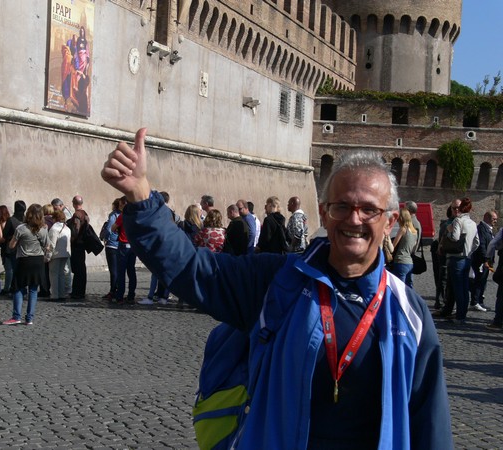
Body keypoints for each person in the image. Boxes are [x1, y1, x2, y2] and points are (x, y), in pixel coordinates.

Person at [101, 128, 453, 449]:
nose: (354, 219)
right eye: (342, 206)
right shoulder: (276, 281)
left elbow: (429, 420)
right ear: (325, 212)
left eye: (369, 210)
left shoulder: (408, 312)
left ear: (390, 221)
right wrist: (142, 198)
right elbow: (193, 268)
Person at [2, 204, 50, 325]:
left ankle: (16, 316)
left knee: (18, 288)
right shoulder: (43, 230)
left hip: (24, 260)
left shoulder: (21, 228)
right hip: (38, 260)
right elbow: (47, 246)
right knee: (33, 289)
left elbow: (11, 245)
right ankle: (29, 318)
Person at [444, 197, 479, 324]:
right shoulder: (473, 223)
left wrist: (448, 232)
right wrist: (469, 251)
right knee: (464, 288)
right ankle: (462, 314)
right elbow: (477, 242)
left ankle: (459, 316)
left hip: (457, 258)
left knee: (458, 288)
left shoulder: (458, 220)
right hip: (467, 258)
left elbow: (455, 237)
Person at [470, 210, 497, 312]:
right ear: (486, 218)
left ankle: (479, 301)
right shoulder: (481, 229)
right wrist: (485, 259)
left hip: (487, 260)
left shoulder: (488, 229)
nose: (495, 221)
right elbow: (481, 246)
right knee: (479, 281)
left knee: (483, 282)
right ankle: (475, 302)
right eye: (493, 219)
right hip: (481, 261)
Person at [47, 210, 71, 301]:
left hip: (56, 254)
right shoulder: (67, 228)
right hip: (65, 254)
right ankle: (62, 294)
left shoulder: (54, 229)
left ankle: (55, 294)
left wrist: (48, 256)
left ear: (55, 218)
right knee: (61, 274)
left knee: (53, 275)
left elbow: (51, 245)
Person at [390, 208, 418, 287]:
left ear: (401, 218)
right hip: (410, 262)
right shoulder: (414, 232)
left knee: (399, 288)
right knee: (409, 288)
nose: (397, 220)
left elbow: (393, 246)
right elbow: (413, 248)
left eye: (398, 218)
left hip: (400, 261)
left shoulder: (402, 229)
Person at [68, 195, 89, 300]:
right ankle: (81, 291)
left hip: (77, 244)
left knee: (77, 269)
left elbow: (76, 229)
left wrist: (71, 239)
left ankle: (77, 292)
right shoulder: (85, 214)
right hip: (82, 244)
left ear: (74, 204)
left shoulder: (77, 215)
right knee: (81, 268)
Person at [101, 198, 122, 300]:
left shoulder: (113, 215)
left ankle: (113, 291)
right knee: (119, 269)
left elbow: (109, 228)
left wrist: (106, 238)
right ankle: (118, 290)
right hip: (121, 244)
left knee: (113, 270)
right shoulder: (125, 215)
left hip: (112, 244)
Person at [0, 205, 12, 294]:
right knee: (9, 268)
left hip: (6, 247)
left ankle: (7, 288)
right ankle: (7, 286)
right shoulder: (8, 221)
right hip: (6, 247)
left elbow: (3, 237)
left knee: (8, 268)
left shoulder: (4, 223)